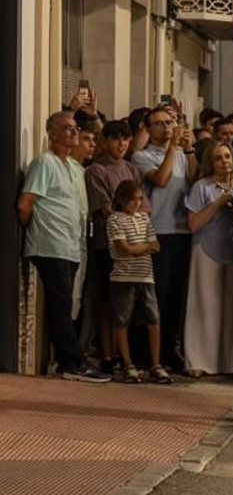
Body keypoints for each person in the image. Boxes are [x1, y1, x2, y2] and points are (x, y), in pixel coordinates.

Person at [18, 113, 106, 381]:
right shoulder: (45, 162)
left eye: (74, 128)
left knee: (66, 304)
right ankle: (71, 363)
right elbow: (25, 204)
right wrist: (35, 230)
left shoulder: (73, 167)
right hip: (50, 244)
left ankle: (69, 358)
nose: (73, 132)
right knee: (60, 303)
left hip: (70, 244)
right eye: (66, 129)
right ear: (52, 134)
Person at [133, 106, 194, 372]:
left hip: (182, 231)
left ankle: (169, 351)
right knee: (155, 296)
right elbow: (161, 179)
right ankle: (147, 353)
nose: (167, 127)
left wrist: (189, 151)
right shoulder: (141, 156)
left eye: (170, 122)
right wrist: (173, 150)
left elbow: (195, 180)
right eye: (159, 123)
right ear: (149, 128)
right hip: (157, 231)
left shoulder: (180, 154)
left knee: (175, 298)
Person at [183, 144, 233, 376]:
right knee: (205, 306)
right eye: (219, 158)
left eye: (227, 156)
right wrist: (218, 204)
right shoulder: (202, 187)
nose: (224, 161)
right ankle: (199, 361)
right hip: (206, 249)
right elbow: (193, 224)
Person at [84, 120, 139, 371]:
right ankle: (107, 354)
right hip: (108, 244)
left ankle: (122, 352)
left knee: (125, 302)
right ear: (105, 141)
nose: (122, 144)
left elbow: (145, 205)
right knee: (106, 300)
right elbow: (106, 210)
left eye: (126, 139)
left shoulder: (131, 169)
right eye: (116, 139)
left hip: (132, 243)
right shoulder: (97, 170)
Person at [106, 180, 171, 383]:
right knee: (122, 320)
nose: (136, 203)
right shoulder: (114, 220)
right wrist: (142, 249)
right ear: (122, 199)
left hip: (145, 275)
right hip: (123, 276)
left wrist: (137, 249)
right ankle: (127, 363)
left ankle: (155, 364)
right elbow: (123, 247)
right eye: (132, 199)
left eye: (140, 199)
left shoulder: (144, 218)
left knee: (154, 320)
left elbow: (156, 245)